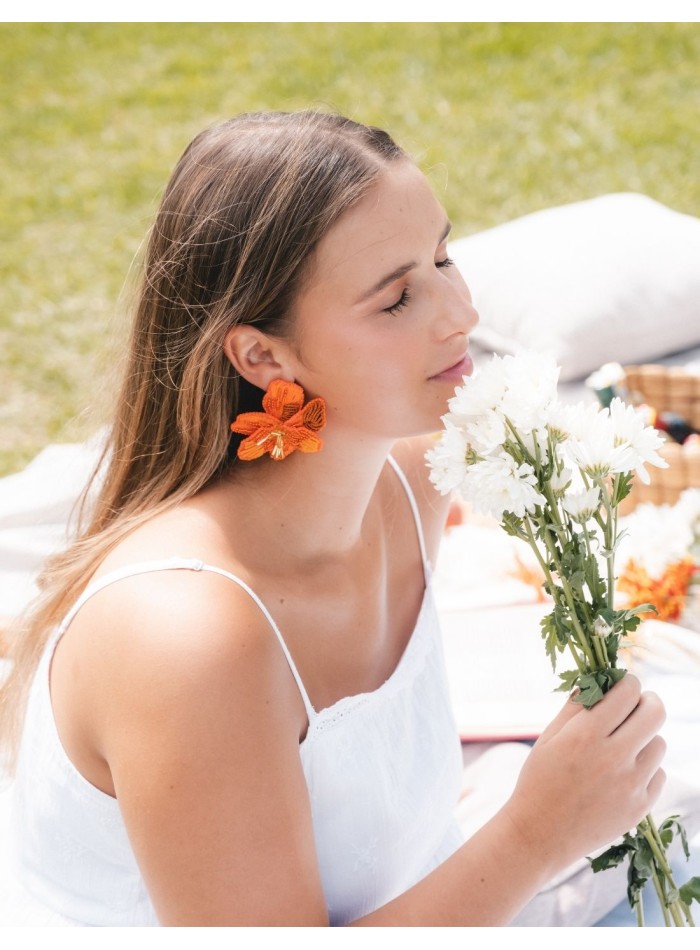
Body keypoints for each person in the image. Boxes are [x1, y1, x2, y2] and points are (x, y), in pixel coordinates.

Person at [0, 110, 667, 926]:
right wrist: (534, 835)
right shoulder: (190, 640)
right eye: (396, 299)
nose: (459, 312)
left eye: (445, 255)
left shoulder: (409, 482)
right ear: (263, 357)